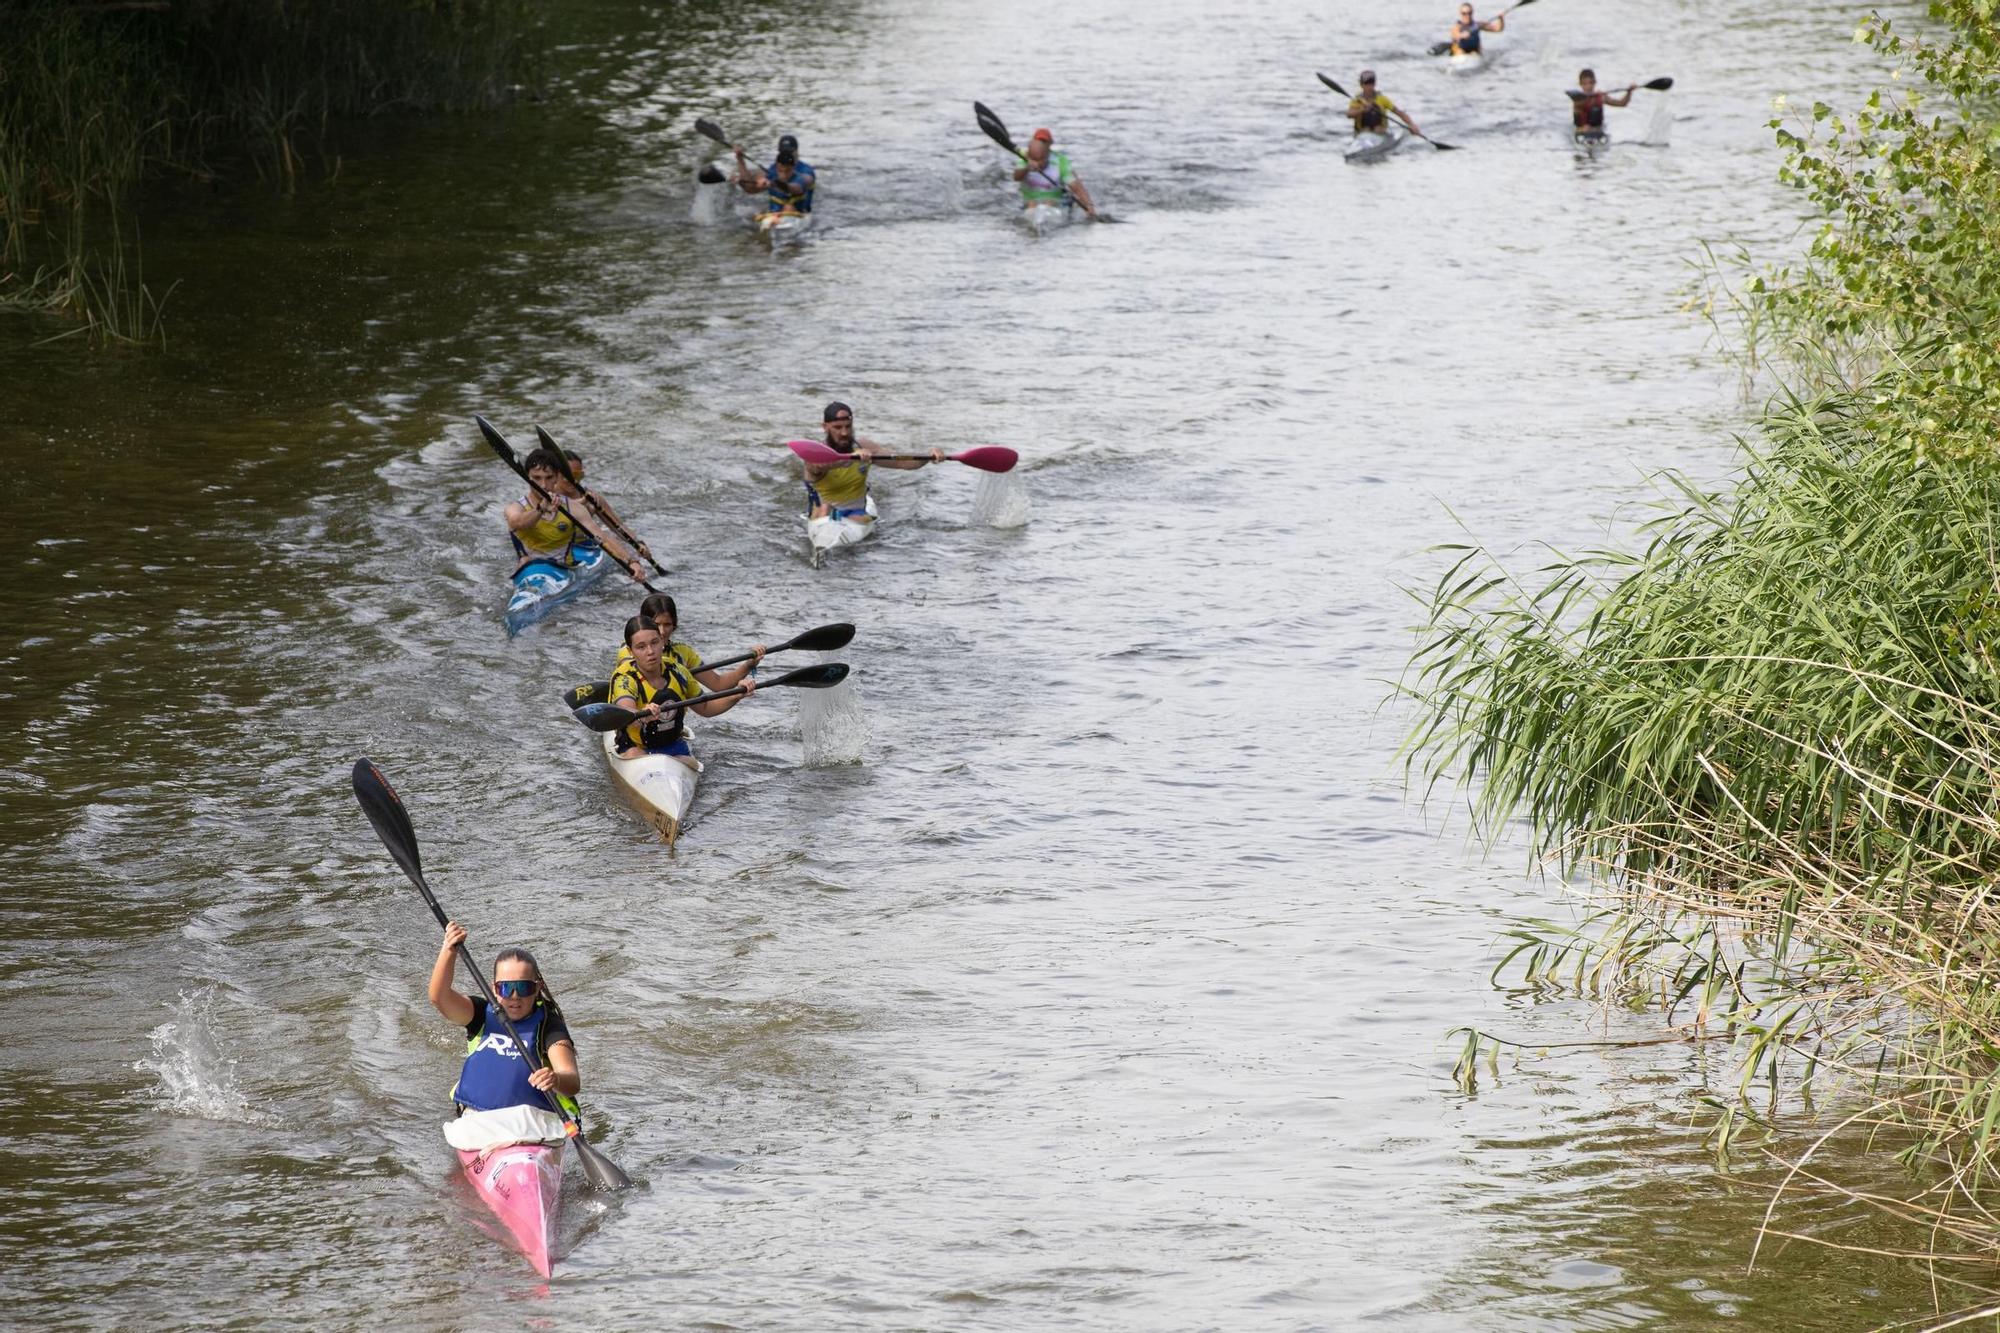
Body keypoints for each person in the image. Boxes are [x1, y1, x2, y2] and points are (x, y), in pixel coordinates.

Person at [430, 922, 579, 1136]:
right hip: (478, 1120)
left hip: (532, 1125)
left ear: (537, 988)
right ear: (494, 989)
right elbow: (439, 998)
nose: (515, 996)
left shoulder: (549, 1024)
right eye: (506, 988)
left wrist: (555, 1078)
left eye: (523, 988)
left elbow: (571, 1080)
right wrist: (448, 951)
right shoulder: (479, 1014)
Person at [609, 616, 756, 769]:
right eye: (641, 647)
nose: (650, 651)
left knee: (692, 764)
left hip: (673, 747)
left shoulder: (678, 671)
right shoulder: (624, 678)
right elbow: (625, 711)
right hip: (635, 747)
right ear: (630, 651)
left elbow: (706, 707)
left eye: (654, 642)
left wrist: (736, 695)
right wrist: (642, 716)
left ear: (662, 641)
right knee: (634, 754)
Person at [503, 446, 645, 583]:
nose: (543, 485)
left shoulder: (573, 508)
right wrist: (541, 508)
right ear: (528, 477)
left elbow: (602, 537)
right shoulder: (515, 507)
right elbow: (517, 523)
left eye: (548, 477)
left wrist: (631, 561)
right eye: (537, 478)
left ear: (557, 477)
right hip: (529, 570)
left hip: (563, 570)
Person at [803, 401, 943, 524]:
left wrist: (929, 455)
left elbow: (903, 462)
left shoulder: (864, 447)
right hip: (822, 515)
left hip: (856, 515)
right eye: (838, 427)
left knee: (860, 519)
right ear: (825, 427)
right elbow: (819, 465)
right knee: (825, 508)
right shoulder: (816, 452)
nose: (844, 432)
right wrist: (851, 457)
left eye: (848, 426)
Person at [612, 592, 765, 695]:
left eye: (667, 625)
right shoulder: (628, 652)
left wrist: (749, 665)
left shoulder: (683, 653)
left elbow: (718, 684)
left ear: (674, 625)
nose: (662, 631)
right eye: (656, 624)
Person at [1013, 128, 1099, 221]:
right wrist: (1026, 169)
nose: (1036, 163)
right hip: (1030, 203)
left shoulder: (1060, 162)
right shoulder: (1023, 159)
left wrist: (1089, 205)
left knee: (1049, 202)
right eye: (1034, 159)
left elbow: (1077, 187)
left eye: (1040, 159)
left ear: (1048, 154)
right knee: (1032, 203)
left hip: (1055, 203)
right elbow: (1017, 177)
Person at [733, 134, 816, 216]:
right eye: (783, 152)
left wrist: (773, 183)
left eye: (790, 152)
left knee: (788, 207)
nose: (787, 155)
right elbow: (750, 189)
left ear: (797, 152)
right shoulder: (772, 170)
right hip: (774, 216)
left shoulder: (806, 171)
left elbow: (795, 188)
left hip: (798, 213)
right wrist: (740, 161)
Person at [1347, 71, 1422, 139]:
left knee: (1378, 128)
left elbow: (1399, 113)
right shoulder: (1357, 100)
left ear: (1375, 84)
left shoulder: (1382, 99)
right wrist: (1362, 110)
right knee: (1366, 129)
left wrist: (1412, 125)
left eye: (1371, 84)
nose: (1369, 87)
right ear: (1361, 85)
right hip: (1362, 134)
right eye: (1366, 84)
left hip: (1379, 132)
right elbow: (1349, 114)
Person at [1570, 69, 1635, 139]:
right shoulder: (1577, 99)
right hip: (1581, 131)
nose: (1588, 86)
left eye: (1591, 83)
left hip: (1597, 130)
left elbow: (1622, 103)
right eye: (1585, 84)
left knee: (1595, 112)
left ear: (1595, 82)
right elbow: (1579, 114)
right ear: (1580, 84)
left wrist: (1629, 92)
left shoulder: (1601, 97)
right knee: (1586, 126)